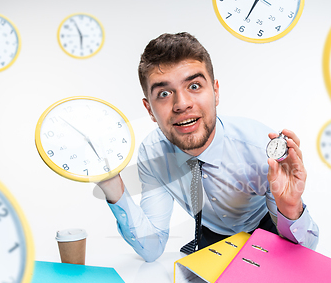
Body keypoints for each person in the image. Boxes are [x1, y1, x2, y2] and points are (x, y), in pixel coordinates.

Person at [97, 32, 319, 262]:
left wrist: (291, 208)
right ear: (149, 110)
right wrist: (112, 186)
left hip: (267, 228)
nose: (182, 104)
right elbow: (151, 249)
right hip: (211, 238)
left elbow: (306, 253)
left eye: (194, 86)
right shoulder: (153, 153)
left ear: (215, 92)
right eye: (164, 93)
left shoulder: (260, 148)